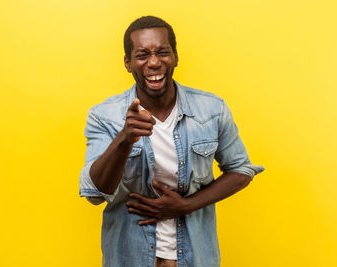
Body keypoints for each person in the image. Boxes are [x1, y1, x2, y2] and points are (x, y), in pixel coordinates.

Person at [79, 15, 264, 267]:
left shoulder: (211, 109)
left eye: (162, 52)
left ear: (175, 56)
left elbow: (241, 170)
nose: (154, 62)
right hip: (129, 257)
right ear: (128, 62)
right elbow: (96, 193)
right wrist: (125, 139)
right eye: (142, 55)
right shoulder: (104, 116)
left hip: (195, 257)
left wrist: (185, 205)